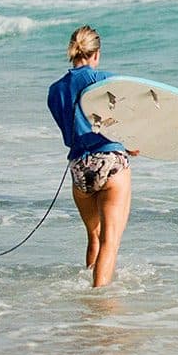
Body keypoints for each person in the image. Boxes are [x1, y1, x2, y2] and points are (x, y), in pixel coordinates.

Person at [46, 26, 136, 287]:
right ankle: (99, 304)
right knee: (111, 240)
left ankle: (89, 290)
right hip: (110, 163)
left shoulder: (54, 91)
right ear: (96, 54)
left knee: (94, 237)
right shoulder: (103, 81)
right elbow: (147, 96)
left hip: (79, 170)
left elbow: (75, 130)